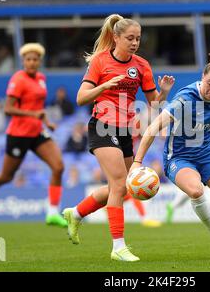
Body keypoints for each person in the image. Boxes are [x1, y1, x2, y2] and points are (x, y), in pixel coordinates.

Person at [62, 14, 175, 262]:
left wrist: (164, 90)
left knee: (122, 188)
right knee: (118, 184)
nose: (135, 43)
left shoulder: (142, 65)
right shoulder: (101, 61)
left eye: (138, 39)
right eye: (130, 38)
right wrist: (104, 86)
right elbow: (81, 97)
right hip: (102, 126)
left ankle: (77, 213)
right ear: (116, 37)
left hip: (125, 131)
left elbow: (154, 104)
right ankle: (118, 247)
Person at [130, 53, 210, 260]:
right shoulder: (184, 100)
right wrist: (137, 162)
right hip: (179, 158)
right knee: (196, 190)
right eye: (209, 84)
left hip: (206, 153)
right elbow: (153, 128)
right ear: (202, 76)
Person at [0, 43, 67, 230]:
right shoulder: (18, 79)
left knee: (58, 167)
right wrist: (33, 115)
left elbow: (38, 108)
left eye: (35, 59)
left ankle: (52, 212)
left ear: (39, 61)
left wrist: (46, 121)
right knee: (6, 176)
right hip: (18, 135)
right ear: (23, 61)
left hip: (37, 132)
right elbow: (8, 108)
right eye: (28, 59)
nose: (32, 62)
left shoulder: (41, 79)